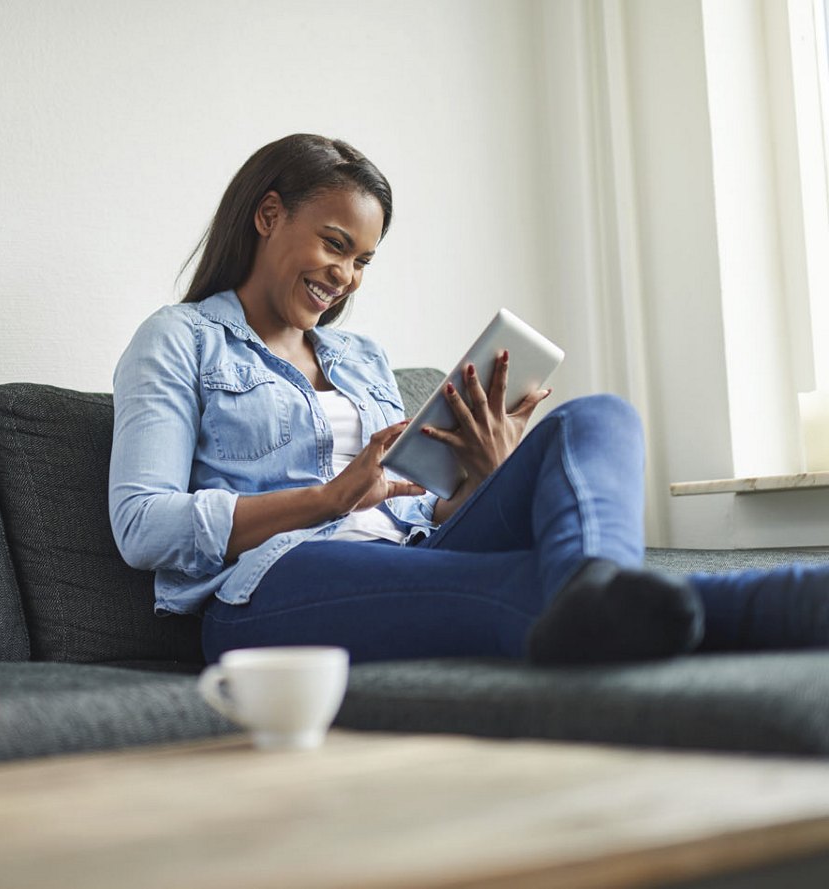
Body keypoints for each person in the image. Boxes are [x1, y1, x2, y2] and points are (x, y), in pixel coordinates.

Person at [108, 133, 829, 666]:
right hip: (269, 590)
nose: (347, 277)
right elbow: (142, 525)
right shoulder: (179, 339)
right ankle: (785, 602)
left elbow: (416, 511)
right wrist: (326, 500)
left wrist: (487, 478)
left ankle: (596, 593)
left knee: (600, 418)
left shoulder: (360, 358)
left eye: (363, 261)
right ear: (268, 215)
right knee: (519, 583)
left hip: (412, 550)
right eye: (335, 244)